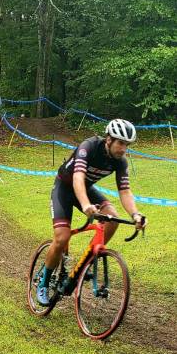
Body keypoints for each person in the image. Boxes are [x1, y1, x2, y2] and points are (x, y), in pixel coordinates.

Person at [36, 118, 147, 306]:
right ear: (109, 139)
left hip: (85, 189)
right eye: (120, 143)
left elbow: (125, 191)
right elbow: (78, 178)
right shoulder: (88, 146)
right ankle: (44, 282)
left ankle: (87, 260)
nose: (123, 149)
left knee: (113, 217)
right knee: (62, 238)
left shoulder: (120, 161)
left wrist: (135, 214)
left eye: (127, 145)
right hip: (64, 188)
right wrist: (86, 205)